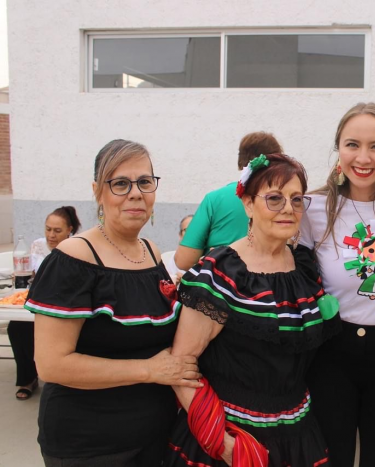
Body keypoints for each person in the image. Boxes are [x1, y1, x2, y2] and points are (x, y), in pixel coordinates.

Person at [25, 139, 201, 466]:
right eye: (120, 183)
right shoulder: (74, 258)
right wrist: (149, 370)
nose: (135, 193)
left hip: (155, 436)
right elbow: (51, 364)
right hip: (91, 444)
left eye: (144, 182)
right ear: (97, 191)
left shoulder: (151, 252)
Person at [164, 153, 341, 467]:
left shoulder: (304, 266)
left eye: (296, 199)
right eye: (274, 198)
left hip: (298, 438)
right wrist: (225, 445)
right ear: (247, 204)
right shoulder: (220, 272)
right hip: (231, 440)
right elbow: (182, 365)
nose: (288, 208)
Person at [299, 102, 375, 466]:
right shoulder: (312, 208)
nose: (363, 157)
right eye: (352, 144)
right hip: (332, 356)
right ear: (338, 148)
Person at [174, 132, 282, 270]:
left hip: (222, 279)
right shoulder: (287, 202)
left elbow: (183, 260)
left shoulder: (215, 199)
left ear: (241, 161)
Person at [9, 206, 81, 401]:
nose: (51, 235)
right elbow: (31, 275)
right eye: (48, 229)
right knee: (17, 327)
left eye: (57, 231)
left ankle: (61, 377)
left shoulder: (77, 248)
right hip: (40, 301)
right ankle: (28, 378)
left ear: (69, 230)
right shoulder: (37, 245)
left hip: (64, 305)